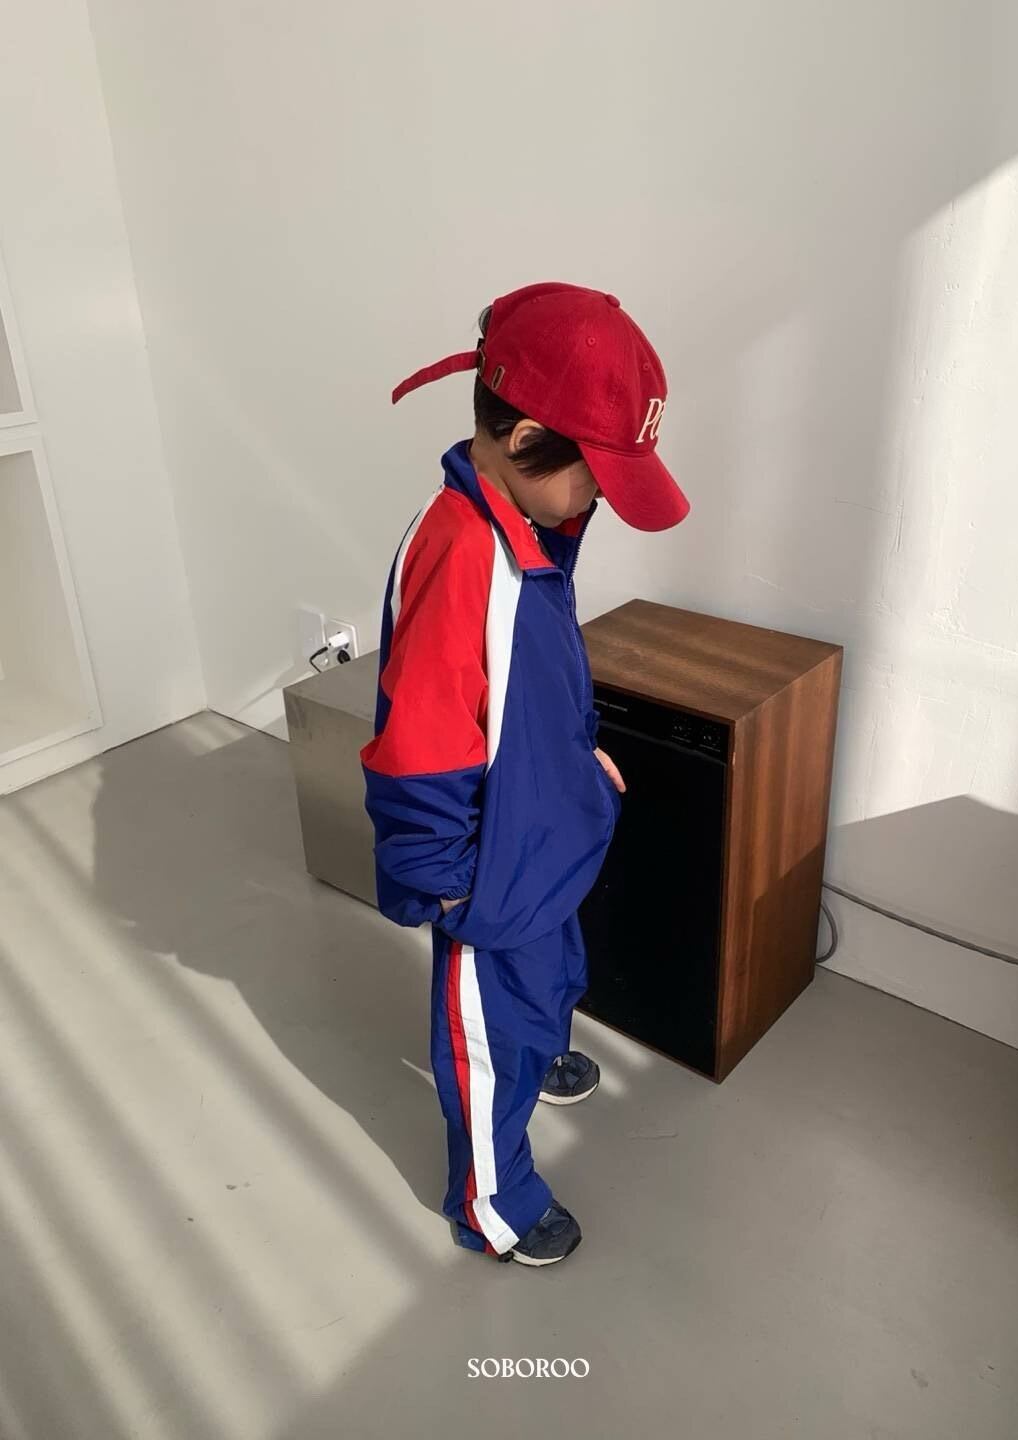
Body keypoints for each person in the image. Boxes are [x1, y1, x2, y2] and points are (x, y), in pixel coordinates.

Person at [360, 282, 689, 1266]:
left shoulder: (529, 528)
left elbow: (530, 675)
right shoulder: (462, 557)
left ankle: (543, 1049)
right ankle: (494, 1202)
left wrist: (573, 752)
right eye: (597, 474)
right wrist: (444, 879)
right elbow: (421, 744)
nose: (603, 499)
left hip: (542, 831)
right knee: (489, 1042)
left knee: (554, 974)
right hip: (489, 869)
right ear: (527, 439)